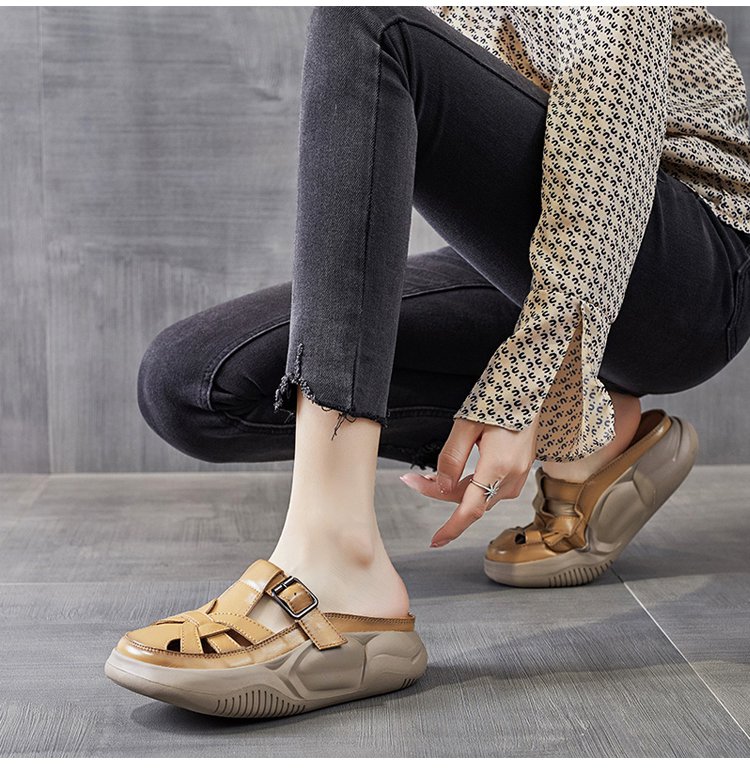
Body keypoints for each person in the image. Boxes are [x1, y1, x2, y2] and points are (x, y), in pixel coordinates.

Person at [104, 6, 750, 718]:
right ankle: (595, 432)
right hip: (528, 258)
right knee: (192, 381)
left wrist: (534, 376)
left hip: (681, 260)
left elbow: (608, 131)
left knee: (365, 22)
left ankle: (337, 559)